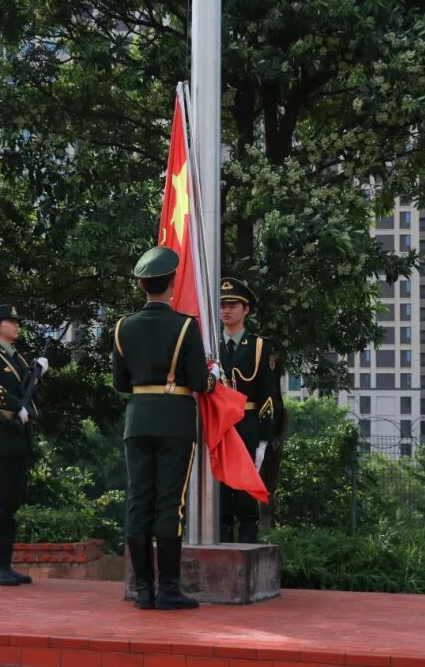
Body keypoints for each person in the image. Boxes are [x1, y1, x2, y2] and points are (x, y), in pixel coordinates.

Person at [112, 246, 219, 609]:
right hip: (174, 420)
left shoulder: (123, 327)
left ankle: (144, 590)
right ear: (172, 283)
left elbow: (120, 384)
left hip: (138, 420)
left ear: (142, 285)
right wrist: (213, 377)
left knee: (138, 502)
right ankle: (169, 589)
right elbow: (200, 383)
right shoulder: (186, 325)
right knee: (169, 503)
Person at [0, 303, 49, 586]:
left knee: (12, 503)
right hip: (1, 438)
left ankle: (6, 566)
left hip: (19, 439)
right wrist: (16, 405)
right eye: (11, 321)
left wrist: (37, 375)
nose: (17, 325)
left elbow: (27, 391)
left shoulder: (17, 358)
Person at [218, 277, 281, 544]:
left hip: (247, 427)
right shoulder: (209, 345)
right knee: (218, 501)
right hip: (218, 428)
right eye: (222, 305)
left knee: (245, 500)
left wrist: (263, 439)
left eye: (233, 305)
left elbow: (269, 397)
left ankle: (245, 552)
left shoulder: (260, 347)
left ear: (246, 310)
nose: (226, 310)